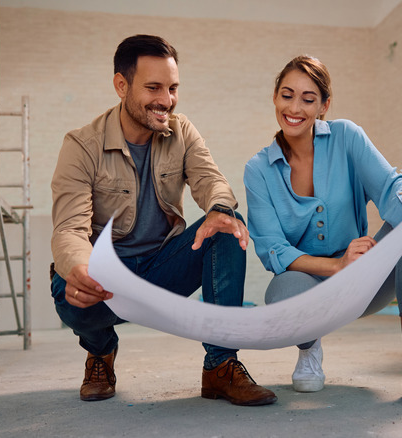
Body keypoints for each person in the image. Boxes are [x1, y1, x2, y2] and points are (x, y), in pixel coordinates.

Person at [50, 34, 276, 406]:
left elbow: (210, 182)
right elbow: (69, 229)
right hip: (106, 276)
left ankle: (220, 365)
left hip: (161, 268)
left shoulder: (182, 130)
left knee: (225, 224)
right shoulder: (81, 145)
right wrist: (80, 268)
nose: (166, 100)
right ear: (121, 85)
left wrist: (219, 208)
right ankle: (101, 351)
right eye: (153, 87)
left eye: (172, 88)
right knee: (69, 289)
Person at [243, 55, 402, 408]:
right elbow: (273, 249)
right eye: (287, 95)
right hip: (311, 286)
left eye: (308, 99)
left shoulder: (347, 136)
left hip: (366, 281)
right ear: (275, 98)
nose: (294, 108)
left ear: (324, 105)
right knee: (281, 292)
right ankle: (309, 350)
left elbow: (390, 185)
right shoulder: (258, 169)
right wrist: (338, 265)